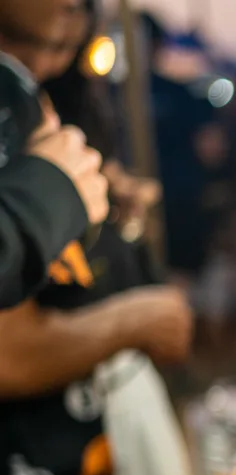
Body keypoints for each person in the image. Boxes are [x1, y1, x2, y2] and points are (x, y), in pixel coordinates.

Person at [0, 0, 192, 475]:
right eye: (15, 41)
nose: (36, 67)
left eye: (61, 48)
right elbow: (7, 351)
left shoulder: (53, 97)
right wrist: (131, 322)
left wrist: (96, 195)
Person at [0, 0, 108, 307]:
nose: (42, 61)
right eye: (14, 39)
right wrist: (48, 193)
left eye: (64, 48)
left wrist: (101, 182)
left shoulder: (58, 93)